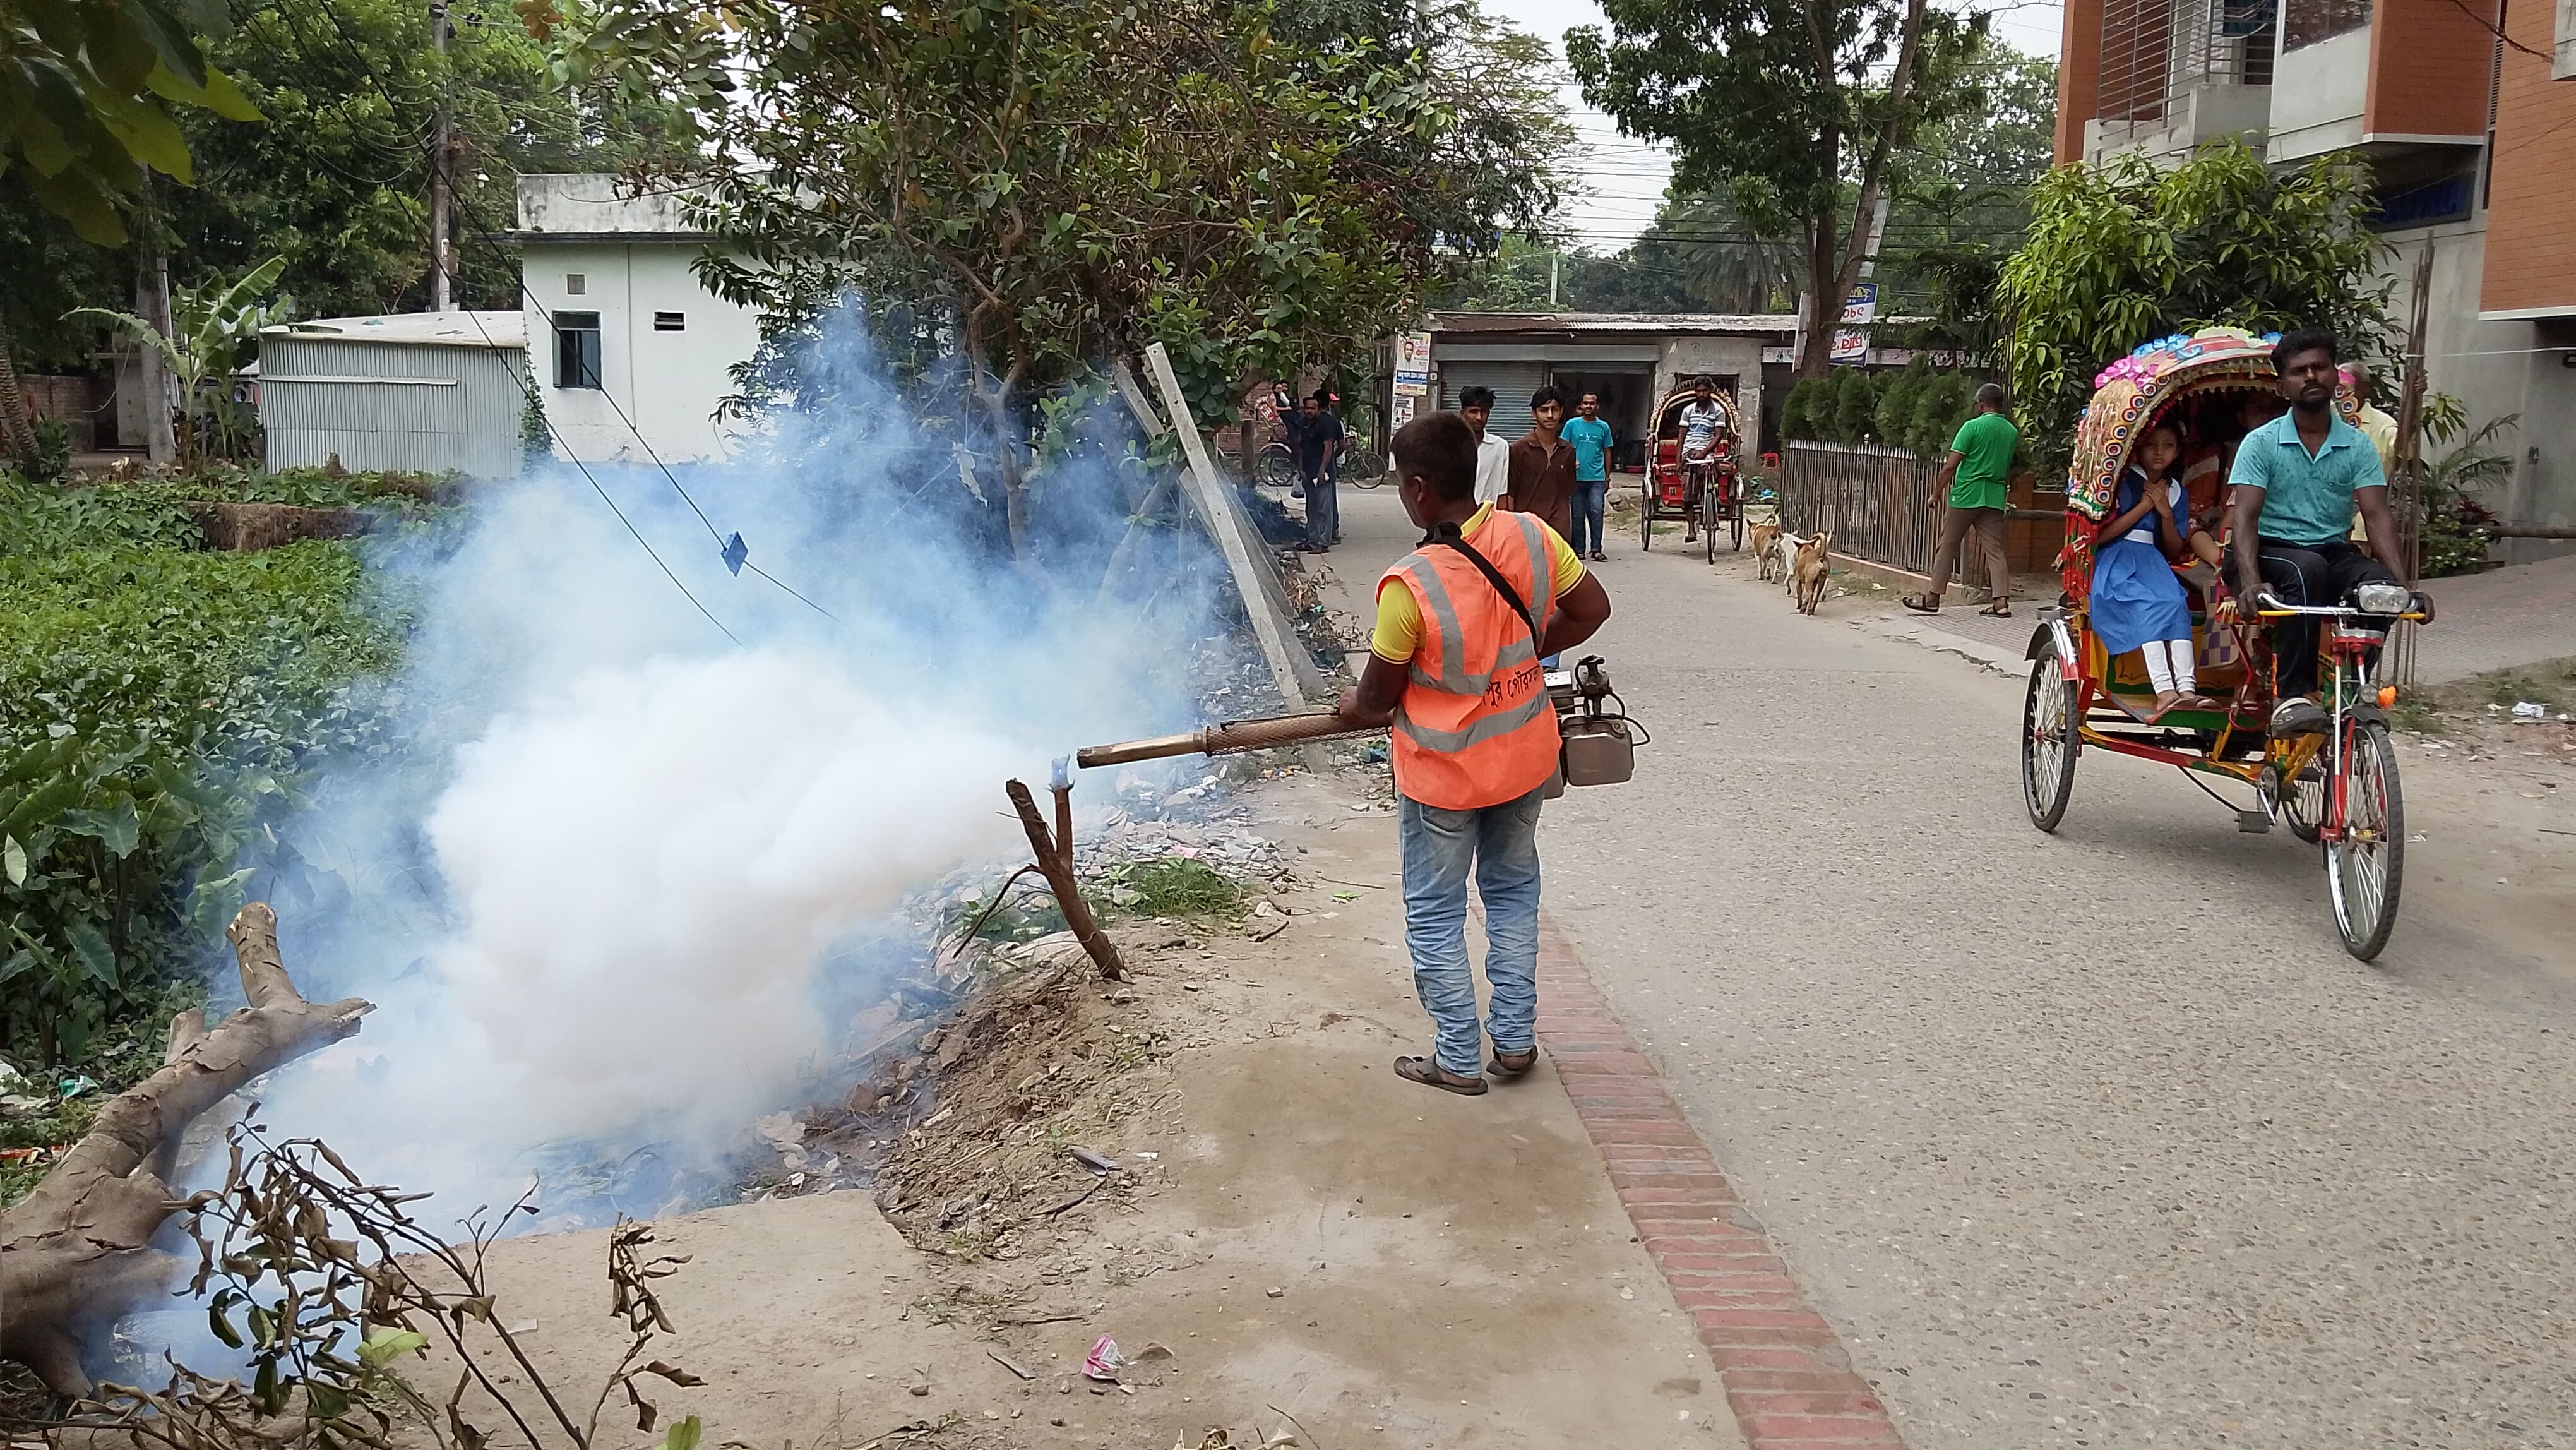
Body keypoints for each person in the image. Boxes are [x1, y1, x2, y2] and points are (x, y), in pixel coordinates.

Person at [1335, 410, 1613, 1095]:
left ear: (1422, 490)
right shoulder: (1534, 536)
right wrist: (1519, 653)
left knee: (1435, 910)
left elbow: (1373, 701)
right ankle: (1515, 1043)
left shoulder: (1409, 586)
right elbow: (1591, 610)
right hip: (1524, 758)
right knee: (1514, 894)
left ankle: (1458, 1056)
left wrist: (1349, 708)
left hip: (1444, 779)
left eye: (1403, 485)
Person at [2226, 328, 2431, 738]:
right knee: (2308, 570)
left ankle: (2352, 692)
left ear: (2336, 375)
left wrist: (2402, 586)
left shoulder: (2357, 446)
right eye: (2299, 371)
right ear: (2284, 385)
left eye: (2320, 367)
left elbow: (2376, 515)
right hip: (2267, 550)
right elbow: (2244, 519)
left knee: (2379, 588)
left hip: (2330, 549)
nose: (2311, 377)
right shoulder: (2261, 443)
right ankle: (2293, 697)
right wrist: (2250, 582)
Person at [2092, 421, 2208, 717]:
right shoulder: (2123, 481)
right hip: (2118, 559)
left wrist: (2166, 514)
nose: (2159, 453)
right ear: (2139, 448)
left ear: (2177, 451)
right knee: (2147, 604)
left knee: (2176, 602)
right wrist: (2145, 506)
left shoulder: (2176, 491)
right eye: (2151, 445)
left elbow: (2173, 548)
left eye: (2168, 446)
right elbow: (2102, 536)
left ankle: (2187, 689)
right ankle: (2164, 690)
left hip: (2152, 561)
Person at [1902, 383, 2018, 616]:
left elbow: (1950, 466)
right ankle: (2002, 603)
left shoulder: (1971, 427)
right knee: (1995, 549)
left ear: (1981, 405)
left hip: (1967, 494)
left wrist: (1935, 493)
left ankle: (1933, 597)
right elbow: (2007, 467)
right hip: (1994, 495)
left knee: (1948, 544)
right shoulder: (2011, 432)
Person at [1502, 385, 1577, 543]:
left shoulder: (1568, 451)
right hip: (1528, 528)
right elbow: (1510, 493)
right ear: (1534, 414)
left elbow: (1568, 492)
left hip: (1559, 529)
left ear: (1561, 412)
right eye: (1544, 410)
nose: (1550, 415)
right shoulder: (1519, 449)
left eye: (1554, 409)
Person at [1561, 392, 1614, 563]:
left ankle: (1597, 549)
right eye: (1585, 403)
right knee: (1577, 515)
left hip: (1597, 478)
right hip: (1576, 478)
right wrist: (1569, 463)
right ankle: (1579, 550)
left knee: (1597, 511)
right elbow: (1564, 447)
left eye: (1592, 403)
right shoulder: (1571, 425)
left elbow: (1608, 452)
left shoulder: (1603, 427)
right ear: (1581, 406)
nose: (1588, 406)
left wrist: (1607, 477)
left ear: (1597, 406)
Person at [1678, 379, 1726, 545]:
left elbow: (1718, 436)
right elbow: (1682, 437)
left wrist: (1704, 452)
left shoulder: (1718, 411)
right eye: (1698, 391)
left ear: (1710, 391)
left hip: (1708, 452)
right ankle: (1692, 529)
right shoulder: (1688, 411)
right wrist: (1679, 460)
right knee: (1688, 495)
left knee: (1712, 470)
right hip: (1689, 452)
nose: (1701, 394)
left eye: (1704, 391)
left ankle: (1713, 500)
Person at [1296, 391, 1344, 553]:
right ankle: (1312, 540)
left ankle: (1324, 542)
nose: (1309, 411)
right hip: (1309, 472)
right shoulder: (1304, 424)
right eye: (1307, 408)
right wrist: (1301, 468)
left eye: (1312, 409)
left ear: (1318, 409)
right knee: (1311, 508)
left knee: (1325, 509)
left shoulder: (1325, 424)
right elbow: (1301, 448)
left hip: (1322, 473)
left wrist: (1322, 470)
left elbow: (1329, 447)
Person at [1458, 385, 1513, 506]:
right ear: (1462, 413)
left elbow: (1502, 492)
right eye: (1473, 411)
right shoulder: (1450, 445)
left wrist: (1503, 523)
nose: (1479, 417)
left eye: (1484, 412)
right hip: (1454, 520)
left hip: (1487, 519)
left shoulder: (1500, 447)